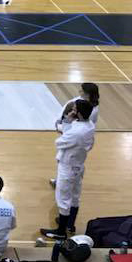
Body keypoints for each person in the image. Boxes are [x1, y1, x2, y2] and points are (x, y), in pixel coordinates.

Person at [41, 99, 96, 240]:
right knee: (75, 196)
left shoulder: (77, 132)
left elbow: (59, 142)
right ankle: (70, 224)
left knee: (63, 199)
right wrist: (68, 122)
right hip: (79, 165)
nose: (72, 111)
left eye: (75, 109)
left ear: (79, 113)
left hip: (68, 167)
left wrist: (66, 122)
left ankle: (60, 232)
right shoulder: (90, 125)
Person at [50, 82, 100, 191]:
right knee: (62, 159)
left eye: (81, 90)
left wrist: (63, 127)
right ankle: (60, 181)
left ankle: (65, 182)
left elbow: (80, 125)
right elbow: (67, 107)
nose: (79, 91)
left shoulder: (91, 110)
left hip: (74, 137)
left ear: (87, 94)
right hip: (69, 131)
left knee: (67, 161)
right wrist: (60, 120)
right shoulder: (80, 100)